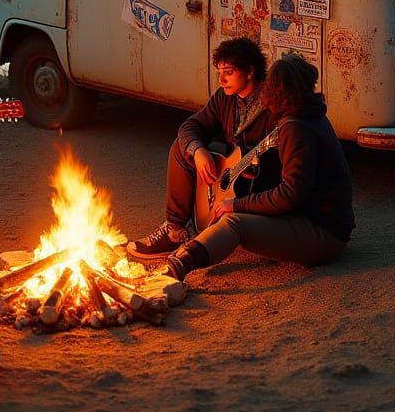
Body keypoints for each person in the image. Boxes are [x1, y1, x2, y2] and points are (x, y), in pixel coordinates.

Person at [127, 42, 354, 281]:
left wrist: (236, 204)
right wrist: (200, 152)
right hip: (301, 216)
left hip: (322, 231)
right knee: (182, 148)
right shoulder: (304, 116)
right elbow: (191, 127)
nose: (264, 95)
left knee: (233, 222)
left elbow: (290, 194)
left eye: (268, 89)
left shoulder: (294, 127)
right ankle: (175, 231)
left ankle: (175, 267)